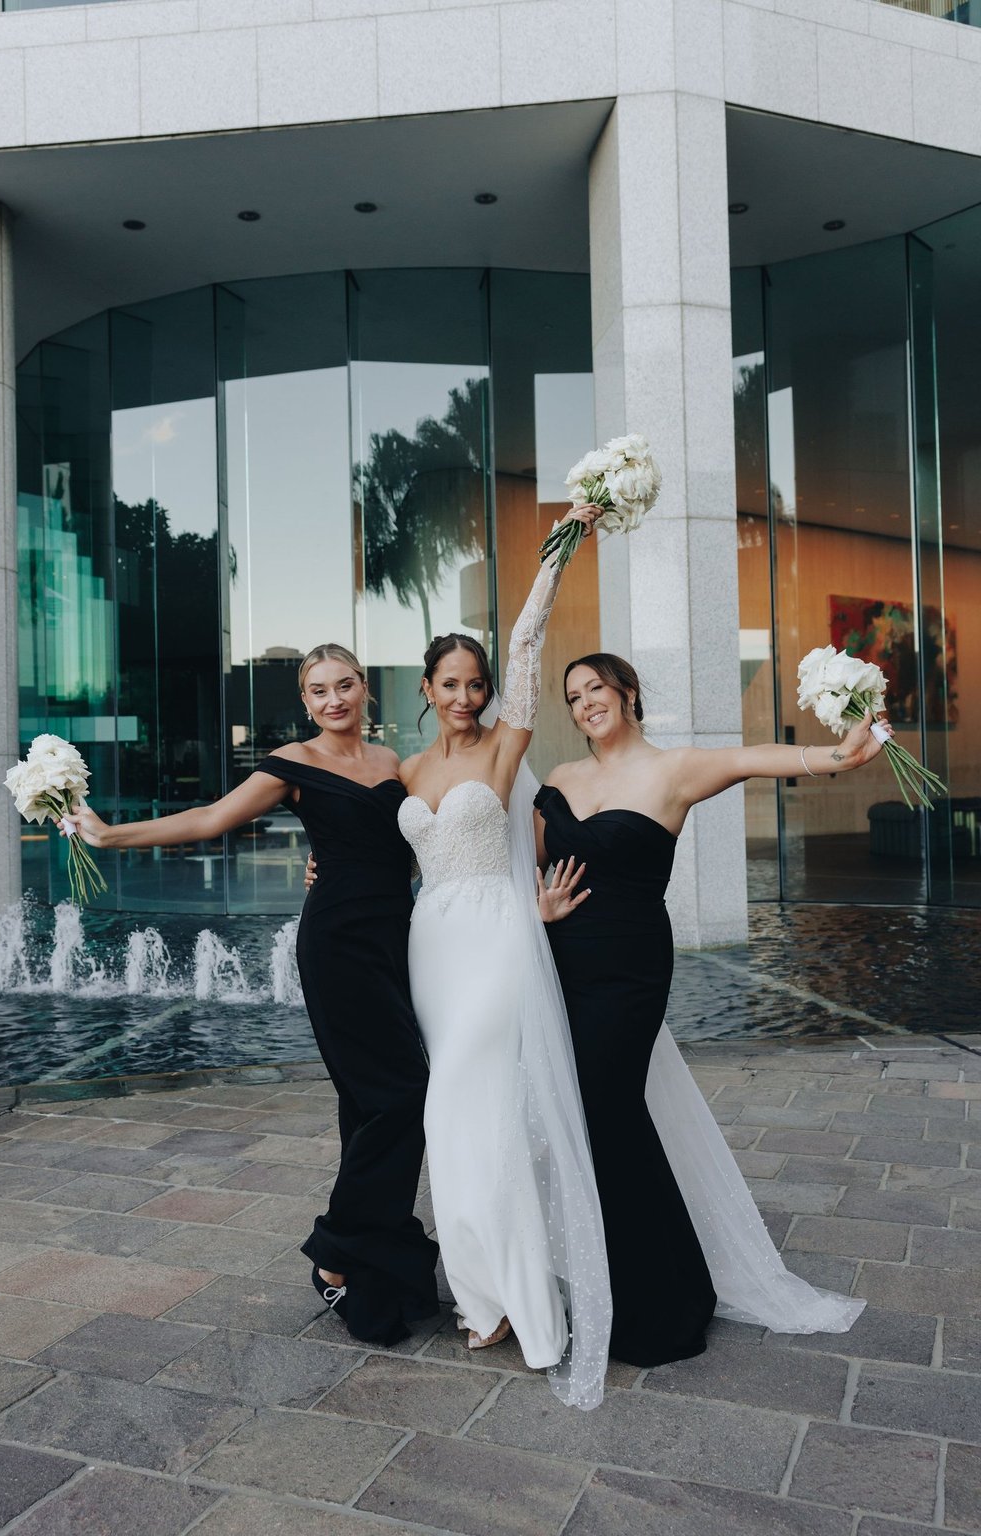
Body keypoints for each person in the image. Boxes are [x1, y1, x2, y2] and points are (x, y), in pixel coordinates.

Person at [64, 643, 439, 1347]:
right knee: (401, 1095)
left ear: (366, 690)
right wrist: (113, 836)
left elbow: (412, 847)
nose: (334, 699)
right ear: (305, 701)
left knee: (368, 1104)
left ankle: (373, 1263)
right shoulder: (293, 764)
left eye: (345, 685)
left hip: (397, 940)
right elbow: (211, 819)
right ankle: (336, 1251)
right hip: (337, 946)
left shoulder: (395, 766)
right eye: (319, 690)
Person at [533, 651, 884, 1366]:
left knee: (611, 1108)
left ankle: (663, 1298)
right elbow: (515, 859)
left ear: (627, 692)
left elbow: (756, 757)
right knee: (594, 1116)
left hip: (629, 964)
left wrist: (839, 756)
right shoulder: (561, 780)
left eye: (595, 688)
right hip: (561, 961)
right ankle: (642, 1278)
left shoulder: (675, 769)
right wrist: (536, 906)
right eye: (572, 698)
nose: (585, 705)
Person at [394, 506, 613, 1409]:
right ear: (427, 687)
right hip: (431, 949)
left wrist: (564, 544)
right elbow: (369, 842)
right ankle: (482, 1297)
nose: (466, 697)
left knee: (467, 1109)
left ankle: (523, 1302)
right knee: (452, 1122)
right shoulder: (404, 773)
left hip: (492, 943)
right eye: (450, 683)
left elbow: (528, 644)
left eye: (475, 683)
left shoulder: (503, 749)